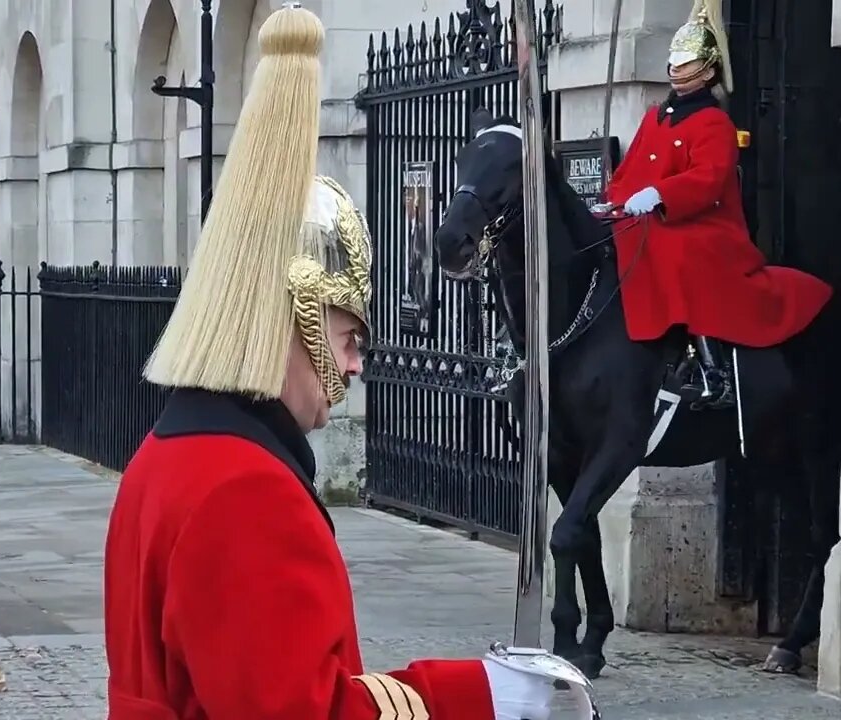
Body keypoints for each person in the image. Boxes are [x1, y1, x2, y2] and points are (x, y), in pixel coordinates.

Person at [103, 5, 594, 720]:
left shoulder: (168, 456)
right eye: (348, 338)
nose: (356, 364)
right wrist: (482, 699)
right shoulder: (246, 495)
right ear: (293, 314)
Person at [602, 0, 832, 407]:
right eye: (675, 62)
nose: (676, 70)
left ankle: (714, 371)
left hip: (701, 226)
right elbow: (629, 173)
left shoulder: (714, 123)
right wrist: (615, 202)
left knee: (679, 256)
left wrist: (660, 195)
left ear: (707, 71)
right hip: (652, 220)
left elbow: (707, 179)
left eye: (687, 64)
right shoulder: (654, 117)